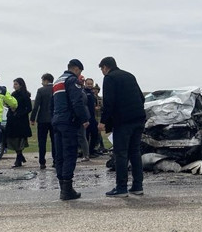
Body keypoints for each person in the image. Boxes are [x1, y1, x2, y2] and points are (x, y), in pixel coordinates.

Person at [97, 56, 145, 197]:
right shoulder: (130, 76)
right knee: (135, 152)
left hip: (123, 121)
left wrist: (103, 121)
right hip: (138, 119)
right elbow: (141, 97)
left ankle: (121, 187)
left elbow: (109, 102)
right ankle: (138, 186)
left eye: (102, 69)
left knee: (121, 154)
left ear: (105, 67)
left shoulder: (109, 78)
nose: (102, 72)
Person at [52, 59, 89, 201]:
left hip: (57, 121)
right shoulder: (72, 80)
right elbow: (77, 101)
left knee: (60, 155)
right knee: (69, 154)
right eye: (80, 71)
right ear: (76, 69)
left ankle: (63, 187)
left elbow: (52, 103)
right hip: (68, 122)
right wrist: (84, 119)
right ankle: (67, 190)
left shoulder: (57, 81)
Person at [30, 73, 55, 170]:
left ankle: (42, 162)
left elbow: (36, 106)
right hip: (54, 119)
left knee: (42, 141)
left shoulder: (41, 90)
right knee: (54, 141)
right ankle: (55, 161)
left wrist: (32, 118)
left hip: (42, 119)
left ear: (46, 80)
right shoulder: (55, 89)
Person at [6, 77, 32, 167]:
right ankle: (20, 156)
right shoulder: (13, 94)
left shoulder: (25, 95)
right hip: (12, 120)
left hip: (21, 121)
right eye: (14, 84)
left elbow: (29, 108)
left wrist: (20, 113)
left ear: (21, 85)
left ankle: (18, 158)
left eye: (16, 84)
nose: (14, 86)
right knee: (12, 139)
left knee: (20, 139)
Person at [83, 77, 101, 157]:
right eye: (88, 84)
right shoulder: (83, 92)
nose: (90, 85)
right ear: (85, 84)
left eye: (91, 84)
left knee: (95, 134)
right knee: (86, 135)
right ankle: (86, 152)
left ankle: (92, 150)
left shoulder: (92, 94)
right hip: (87, 117)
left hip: (93, 117)